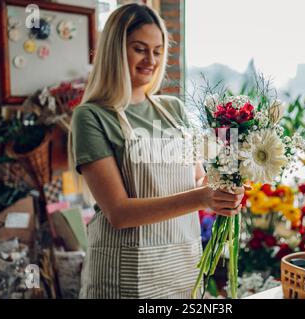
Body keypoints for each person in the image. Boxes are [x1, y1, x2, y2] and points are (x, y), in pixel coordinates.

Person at [69, 3, 245, 299]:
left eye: (158, 50)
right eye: (140, 49)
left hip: (181, 269)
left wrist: (225, 192)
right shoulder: (91, 117)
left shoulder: (173, 109)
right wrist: (203, 198)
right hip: (123, 276)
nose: (151, 59)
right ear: (115, 50)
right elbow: (120, 213)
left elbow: (199, 179)